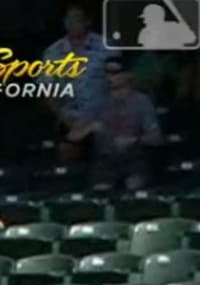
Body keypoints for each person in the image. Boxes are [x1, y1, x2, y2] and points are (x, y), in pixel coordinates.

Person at [73, 58, 165, 190]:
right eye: (107, 72)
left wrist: (134, 140)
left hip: (134, 158)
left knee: (134, 185)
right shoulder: (96, 102)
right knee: (101, 190)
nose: (110, 77)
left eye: (115, 72)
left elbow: (157, 138)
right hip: (104, 160)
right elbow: (74, 136)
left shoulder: (142, 101)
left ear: (127, 75)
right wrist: (89, 128)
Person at [42, 5, 114, 165]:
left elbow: (118, 82)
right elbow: (49, 92)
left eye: (77, 19)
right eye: (68, 20)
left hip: (106, 115)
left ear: (87, 21)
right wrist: (67, 119)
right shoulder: (53, 53)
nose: (72, 24)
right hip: (70, 119)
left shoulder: (106, 46)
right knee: (67, 148)